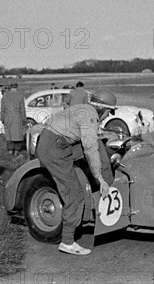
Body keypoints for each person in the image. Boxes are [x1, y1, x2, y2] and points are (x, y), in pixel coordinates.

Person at [35, 88, 117, 256]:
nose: (108, 116)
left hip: (52, 141)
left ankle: (104, 180)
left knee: (97, 144)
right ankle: (67, 241)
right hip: (55, 148)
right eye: (109, 111)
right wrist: (99, 177)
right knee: (75, 193)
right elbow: (89, 147)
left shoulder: (83, 108)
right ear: (102, 108)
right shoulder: (90, 115)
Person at [1, 83, 26, 156]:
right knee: (17, 135)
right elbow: (22, 109)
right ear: (16, 87)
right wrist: (24, 119)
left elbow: (2, 109)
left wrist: (2, 118)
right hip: (17, 118)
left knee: (9, 135)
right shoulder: (20, 96)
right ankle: (17, 150)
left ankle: (10, 150)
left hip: (7, 117)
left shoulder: (5, 96)